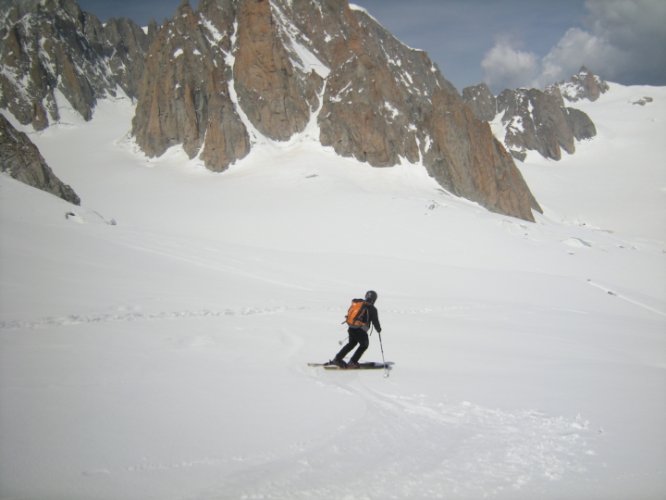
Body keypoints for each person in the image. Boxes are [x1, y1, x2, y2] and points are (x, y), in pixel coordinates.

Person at [331, 290, 381, 368]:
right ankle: (353, 362)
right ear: (374, 299)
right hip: (360, 329)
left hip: (351, 327)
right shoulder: (372, 308)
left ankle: (337, 359)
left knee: (351, 344)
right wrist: (378, 329)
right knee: (364, 345)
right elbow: (375, 321)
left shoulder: (358, 303)